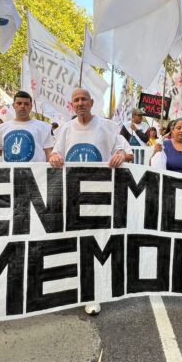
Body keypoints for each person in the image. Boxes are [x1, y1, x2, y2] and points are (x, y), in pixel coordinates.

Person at [49, 88, 127, 315]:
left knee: (95, 244)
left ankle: (92, 294)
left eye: (84, 99)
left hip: (100, 194)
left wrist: (120, 155)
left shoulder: (108, 127)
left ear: (92, 102)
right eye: (76, 100)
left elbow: (123, 150)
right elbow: (56, 154)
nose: (80, 103)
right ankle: (73, 286)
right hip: (73, 194)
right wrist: (54, 157)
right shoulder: (64, 130)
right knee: (74, 241)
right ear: (71, 104)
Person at [0, 91, 52, 162]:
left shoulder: (44, 127)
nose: (22, 106)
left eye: (26, 104)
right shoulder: (2, 128)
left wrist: (54, 159)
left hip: (36, 175)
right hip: (9, 176)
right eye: (19, 103)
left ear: (31, 106)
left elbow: (49, 153)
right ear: (14, 105)